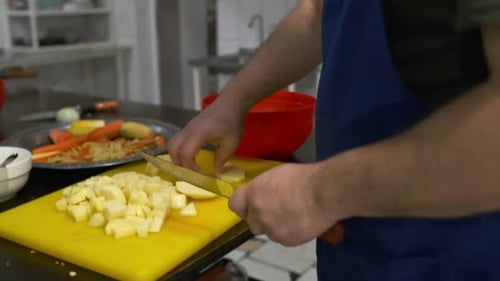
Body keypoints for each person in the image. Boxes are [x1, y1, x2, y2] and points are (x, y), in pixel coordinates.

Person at [168, 0, 500, 280]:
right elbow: (317, 10)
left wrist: (316, 193)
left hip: (459, 250)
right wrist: (232, 102)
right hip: (354, 240)